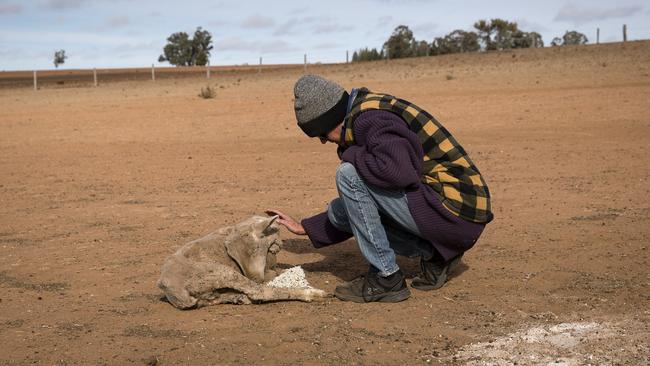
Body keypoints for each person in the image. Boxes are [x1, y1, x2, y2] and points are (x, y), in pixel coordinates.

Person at [267, 74, 493, 303]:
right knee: (342, 206)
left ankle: (387, 278)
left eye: (321, 133)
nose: (324, 141)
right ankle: (435, 255)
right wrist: (305, 227)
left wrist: (350, 154)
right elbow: (357, 208)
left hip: (456, 213)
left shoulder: (370, 119)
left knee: (348, 175)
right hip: (455, 216)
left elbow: (399, 172)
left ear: (331, 118)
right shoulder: (363, 111)